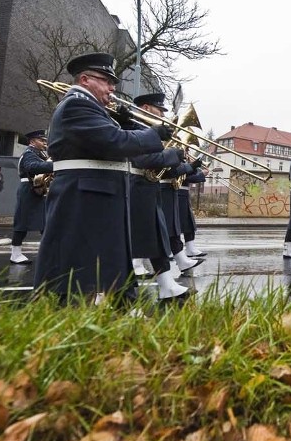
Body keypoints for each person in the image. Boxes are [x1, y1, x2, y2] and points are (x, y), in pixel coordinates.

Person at [33, 52, 172, 304]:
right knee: (80, 265)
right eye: (107, 81)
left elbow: (112, 140)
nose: (112, 88)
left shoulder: (91, 107)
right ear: (85, 79)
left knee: (108, 262)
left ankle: (121, 306)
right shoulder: (77, 104)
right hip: (86, 196)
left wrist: (126, 122)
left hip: (97, 195)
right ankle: (74, 313)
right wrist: (154, 135)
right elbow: (114, 142)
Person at [128, 92, 199, 301]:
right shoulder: (134, 127)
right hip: (135, 184)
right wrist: (173, 156)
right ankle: (120, 290)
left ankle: (167, 285)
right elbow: (142, 160)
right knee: (136, 238)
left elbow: (162, 169)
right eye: (159, 110)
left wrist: (185, 165)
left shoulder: (148, 131)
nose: (162, 114)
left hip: (147, 185)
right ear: (147, 108)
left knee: (156, 236)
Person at [9, 130, 54, 264]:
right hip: (28, 191)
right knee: (22, 222)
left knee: (44, 223)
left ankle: (49, 252)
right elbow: (32, 167)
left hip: (37, 191)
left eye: (45, 141)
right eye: (41, 140)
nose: (44, 143)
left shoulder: (38, 154)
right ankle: (15, 254)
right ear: (32, 141)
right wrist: (54, 165)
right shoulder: (29, 153)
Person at [178, 162, 208, 258]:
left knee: (189, 223)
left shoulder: (181, 161)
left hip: (183, 193)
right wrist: (201, 174)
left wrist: (195, 167)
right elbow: (186, 177)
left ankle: (190, 248)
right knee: (178, 224)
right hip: (178, 193)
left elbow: (189, 174)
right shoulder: (175, 160)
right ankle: (177, 251)